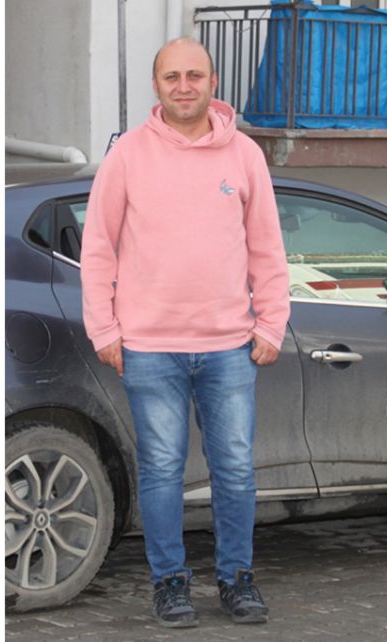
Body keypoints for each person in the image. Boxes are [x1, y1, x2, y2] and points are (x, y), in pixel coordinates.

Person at [79, 37, 290, 628]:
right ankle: (169, 583)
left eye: (194, 74)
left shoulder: (244, 155)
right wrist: (105, 330)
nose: (184, 85)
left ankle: (237, 580)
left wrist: (271, 322)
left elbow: (267, 249)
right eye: (171, 76)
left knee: (236, 470)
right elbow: (97, 249)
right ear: (157, 85)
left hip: (228, 345)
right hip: (150, 347)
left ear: (213, 81)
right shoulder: (128, 157)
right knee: (163, 470)